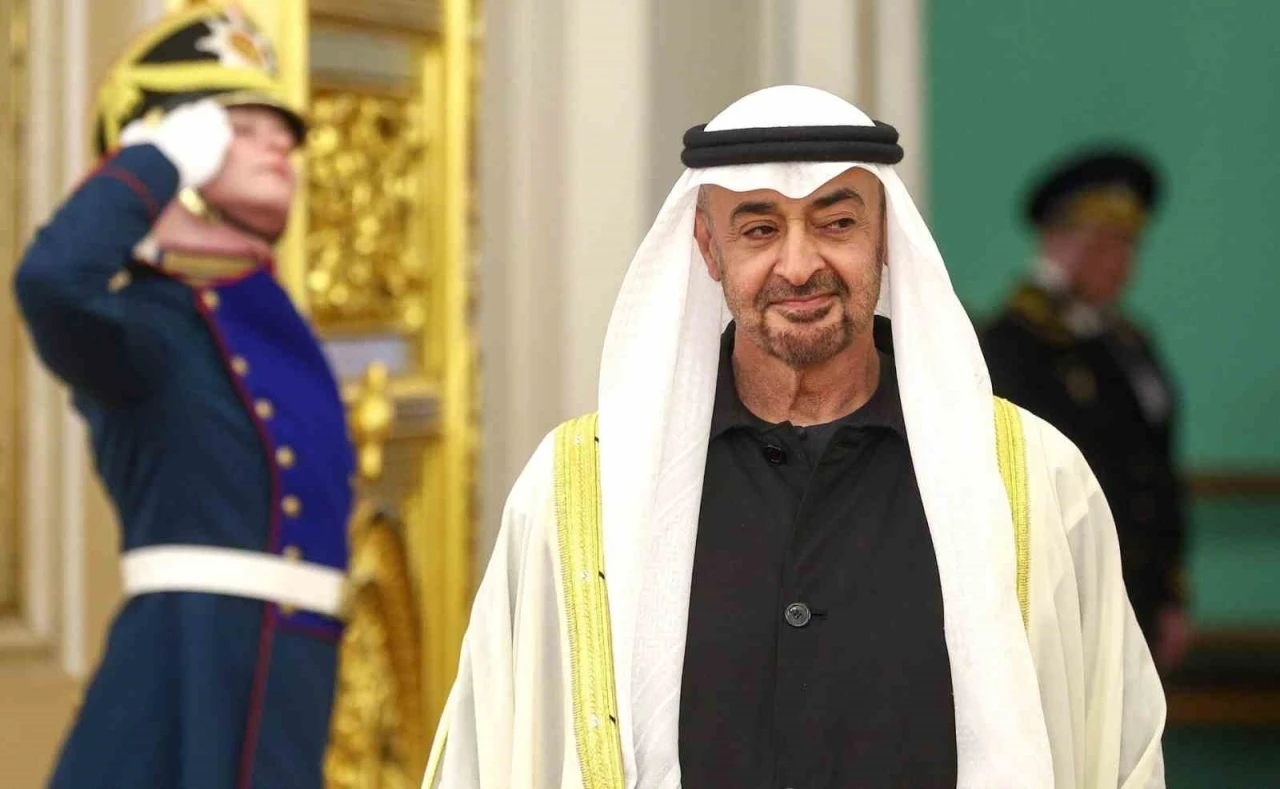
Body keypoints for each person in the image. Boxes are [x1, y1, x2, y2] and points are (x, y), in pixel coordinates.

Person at [422, 86, 1166, 788]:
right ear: (708, 247)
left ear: (884, 237)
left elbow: (1116, 748)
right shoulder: (582, 491)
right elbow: (489, 750)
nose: (801, 264)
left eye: (837, 223)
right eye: (760, 229)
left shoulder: (1031, 479)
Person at [13, 4, 354, 787]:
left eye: (283, 130)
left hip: (286, 692)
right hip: (178, 695)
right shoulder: (147, 325)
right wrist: (154, 162)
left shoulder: (271, 319)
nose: (280, 143)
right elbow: (50, 280)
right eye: (241, 126)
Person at [979, 148, 1189, 673]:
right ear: (1055, 239)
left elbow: (1155, 470)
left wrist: (1170, 593)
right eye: (1101, 244)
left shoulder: (1128, 341)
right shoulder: (1010, 344)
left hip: (1137, 590)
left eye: (1128, 245)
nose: (1118, 262)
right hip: (1058, 595)